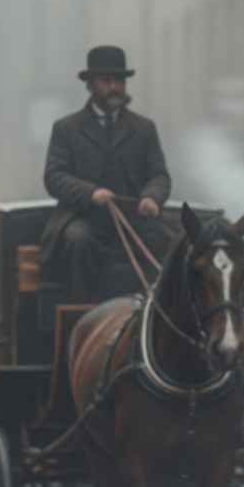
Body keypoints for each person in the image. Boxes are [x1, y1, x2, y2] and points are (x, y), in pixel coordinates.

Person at [39, 44, 171, 304]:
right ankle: (81, 315)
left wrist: (152, 198)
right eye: (106, 80)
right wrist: (91, 193)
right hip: (86, 219)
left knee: (173, 243)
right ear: (89, 84)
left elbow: (159, 175)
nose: (114, 86)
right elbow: (54, 176)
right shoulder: (67, 129)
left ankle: (158, 316)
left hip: (135, 219)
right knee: (77, 240)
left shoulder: (143, 128)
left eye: (120, 80)